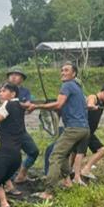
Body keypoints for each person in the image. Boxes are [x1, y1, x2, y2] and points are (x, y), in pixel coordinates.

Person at [29, 63, 90, 199]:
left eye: (66, 70)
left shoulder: (67, 85)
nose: (63, 72)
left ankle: (48, 191)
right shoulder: (78, 88)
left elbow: (59, 104)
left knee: (54, 156)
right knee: (61, 153)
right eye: (62, 70)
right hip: (84, 129)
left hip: (73, 128)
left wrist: (37, 106)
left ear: (74, 74)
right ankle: (67, 181)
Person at [5, 66, 40, 185]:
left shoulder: (25, 91)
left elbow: (29, 105)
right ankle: (5, 183)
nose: (14, 77)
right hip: (8, 131)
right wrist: (22, 105)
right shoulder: (4, 90)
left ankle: (22, 173)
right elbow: (5, 103)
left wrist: (26, 105)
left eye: (17, 75)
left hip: (21, 128)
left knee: (33, 151)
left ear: (22, 78)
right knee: (12, 156)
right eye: (11, 74)